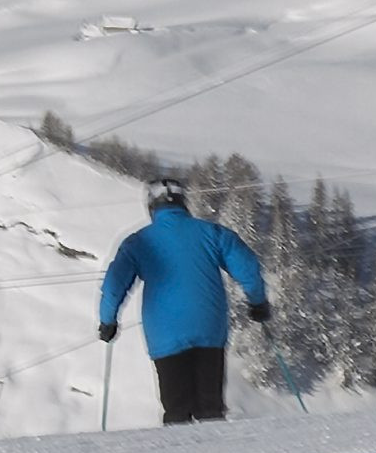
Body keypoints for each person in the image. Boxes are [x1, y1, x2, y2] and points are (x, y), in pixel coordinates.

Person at [96, 180, 270, 425]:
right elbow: (248, 268)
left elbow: (114, 286)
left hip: (165, 332)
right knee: (210, 406)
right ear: (183, 203)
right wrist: (258, 303)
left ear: (151, 207)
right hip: (209, 325)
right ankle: (218, 452)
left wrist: (108, 321)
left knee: (176, 408)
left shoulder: (139, 242)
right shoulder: (213, 233)